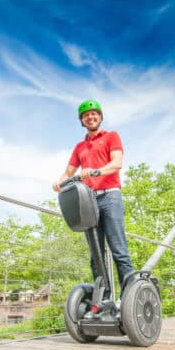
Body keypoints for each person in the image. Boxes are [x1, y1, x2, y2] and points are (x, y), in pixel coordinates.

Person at [53, 99, 133, 296]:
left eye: (94, 114)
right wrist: (59, 182)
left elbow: (117, 163)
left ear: (100, 117)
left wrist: (96, 172)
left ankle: (129, 297)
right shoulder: (79, 147)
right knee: (95, 255)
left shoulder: (112, 136)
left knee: (119, 251)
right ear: (82, 120)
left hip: (110, 196)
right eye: (86, 115)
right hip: (89, 202)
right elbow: (69, 172)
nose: (90, 117)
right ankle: (104, 300)